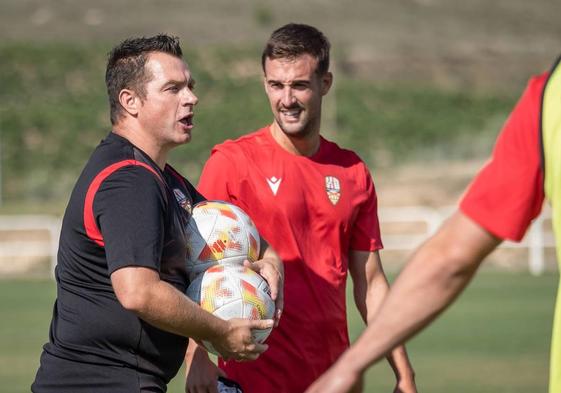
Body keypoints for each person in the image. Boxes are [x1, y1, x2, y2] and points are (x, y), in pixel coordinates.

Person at [31, 34, 283, 393]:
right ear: (130, 101)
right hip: (96, 384)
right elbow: (139, 292)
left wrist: (270, 260)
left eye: (190, 87)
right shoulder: (129, 180)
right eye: (173, 88)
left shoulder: (163, 178)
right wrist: (221, 332)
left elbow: (235, 232)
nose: (191, 98)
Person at [305, 57, 561, 393]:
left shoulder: (551, 98)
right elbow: (451, 256)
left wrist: (352, 366)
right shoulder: (547, 99)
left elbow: (453, 255)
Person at [185, 23, 417, 393]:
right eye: (276, 85)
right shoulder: (232, 161)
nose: (287, 99)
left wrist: (403, 373)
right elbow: (197, 266)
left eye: (300, 85)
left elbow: (371, 282)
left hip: (332, 380)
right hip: (248, 378)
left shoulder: (353, 171)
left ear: (325, 83)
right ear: (265, 83)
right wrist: (197, 355)